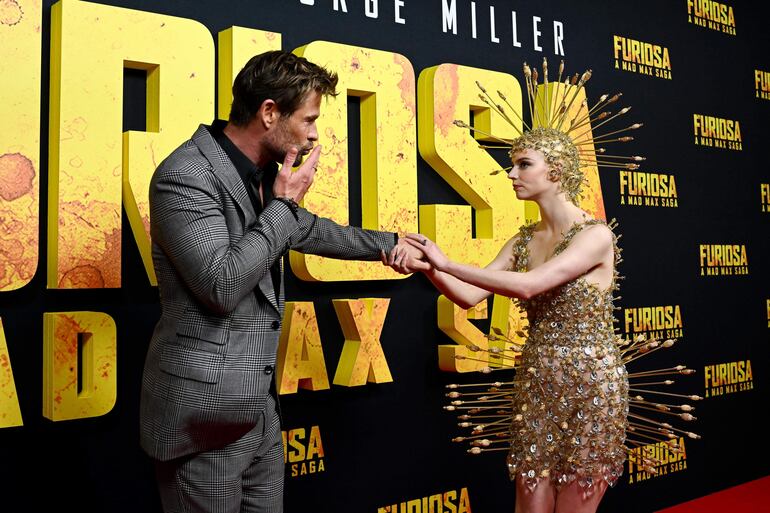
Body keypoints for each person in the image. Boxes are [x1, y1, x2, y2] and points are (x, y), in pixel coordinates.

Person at [139, 50, 421, 513]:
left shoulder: (262, 174)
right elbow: (222, 284)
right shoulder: (185, 176)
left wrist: (389, 242)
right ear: (269, 112)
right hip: (203, 422)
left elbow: (307, 229)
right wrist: (283, 207)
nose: (314, 133)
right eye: (309, 119)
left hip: (259, 415)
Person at [396, 125, 625, 513]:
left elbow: (530, 286)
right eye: (512, 165)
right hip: (538, 384)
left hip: (592, 387)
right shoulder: (522, 240)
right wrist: (426, 268)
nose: (511, 174)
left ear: (556, 170)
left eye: (523, 164)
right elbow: (469, 296)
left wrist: (448, 262)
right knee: (529, 505)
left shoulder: (596, 235)